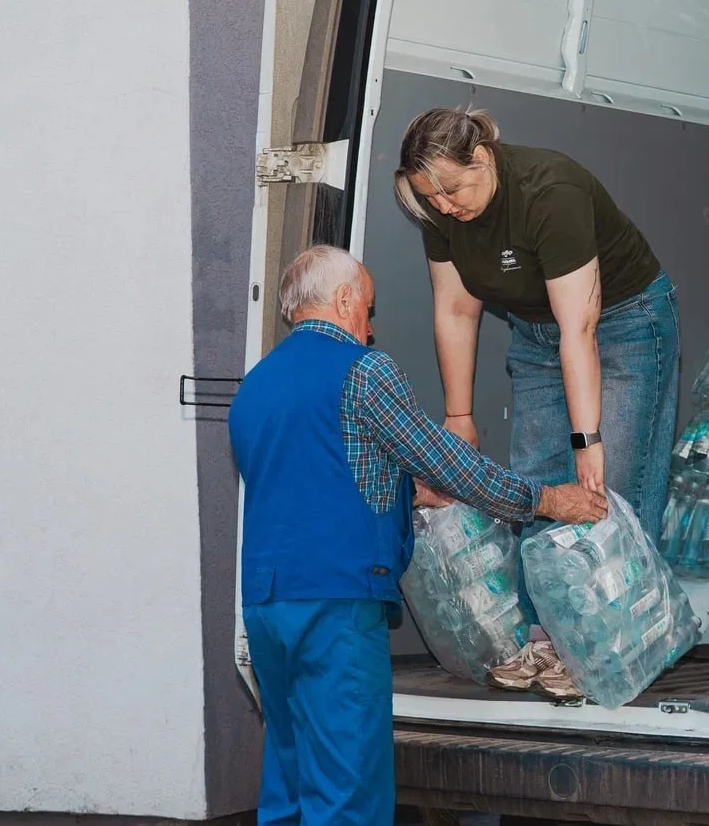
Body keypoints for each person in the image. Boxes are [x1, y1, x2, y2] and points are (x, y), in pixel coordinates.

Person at [227, 245, 607, 826]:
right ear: (344, 299)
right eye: (369, 308)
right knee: (347, 793)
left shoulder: (254, 386)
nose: (371, 327)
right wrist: (546, 500)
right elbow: (451, 464)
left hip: (267, 605)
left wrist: (407, 494)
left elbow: (314, 477)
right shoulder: (364, 371)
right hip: (338, 603)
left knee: (292, 780)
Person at [394, 106, 681, 622]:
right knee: (540, 487)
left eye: (451, 191)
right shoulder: (439, 206)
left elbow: (580, 330)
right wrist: (459, 416)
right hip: (536, 331)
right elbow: (456, 310)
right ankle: (551, 638)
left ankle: (619, 638)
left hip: (621, 325)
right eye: (429, 197)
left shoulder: (550, 192)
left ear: (482, 158)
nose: (441, 205)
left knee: (606, 488)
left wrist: (588, 440)